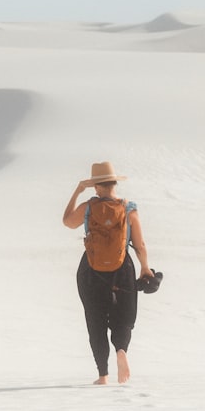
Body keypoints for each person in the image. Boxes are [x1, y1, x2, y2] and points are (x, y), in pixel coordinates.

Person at [62, 161, 154, 384]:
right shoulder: (129, 209)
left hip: (91, 270)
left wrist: (77, 190)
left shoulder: (88, 207)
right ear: (114, 183)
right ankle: (121, 350)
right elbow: (139, 244)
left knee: (95, 319)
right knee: (124, 315)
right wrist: (144, 267)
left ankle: (102, 375)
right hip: (123, 268)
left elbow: (67, 222)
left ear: (96, 186)